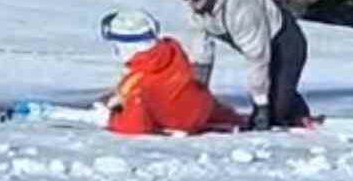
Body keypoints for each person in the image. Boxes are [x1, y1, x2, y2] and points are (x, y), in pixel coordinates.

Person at [165, 0, 311, 131]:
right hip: (257, 47)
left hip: (284, 41)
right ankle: (283, 98)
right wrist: (195, 97)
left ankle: (298, 113)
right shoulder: (198, 11)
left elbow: (257, 58)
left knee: (276, 112)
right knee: (271, 93)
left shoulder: (241, 4)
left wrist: (261, 106)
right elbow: (201, 54)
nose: (188, 3)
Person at [98, 9, 244, 135]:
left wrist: (110, 119)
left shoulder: (140, 85)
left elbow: (135, 127)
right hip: (202, 103)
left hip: (183, 120)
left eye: (116, 46)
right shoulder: (172, 52)